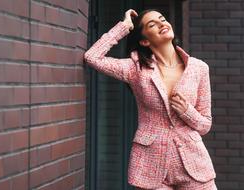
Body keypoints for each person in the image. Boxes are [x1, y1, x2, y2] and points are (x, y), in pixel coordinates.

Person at [84, 9, 217, 190]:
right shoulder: (135, 68)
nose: (162, 23)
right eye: (152, 24)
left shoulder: (199, 68)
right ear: (145, 40)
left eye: (162, 19)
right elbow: (92, 57)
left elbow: (205, 125)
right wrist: (124, 27)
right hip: (150, 168)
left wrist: (187, 112)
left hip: (194, 167)